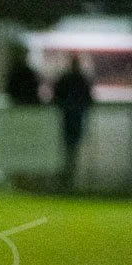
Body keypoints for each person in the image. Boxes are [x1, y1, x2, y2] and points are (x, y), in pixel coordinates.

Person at [53, 54, 93, 189]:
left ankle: (66, 174)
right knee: (72, 146)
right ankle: (70, 174)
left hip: (67, 116)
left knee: (67, 145)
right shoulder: (81, 79)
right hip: (76, 117)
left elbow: (56, 96)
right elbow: (89, 98)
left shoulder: (66, 78)